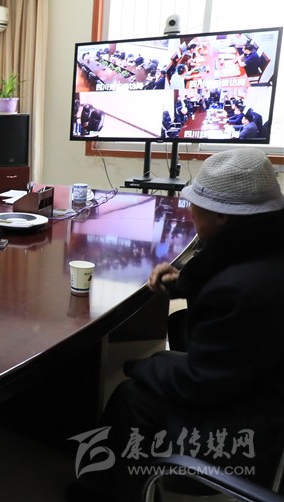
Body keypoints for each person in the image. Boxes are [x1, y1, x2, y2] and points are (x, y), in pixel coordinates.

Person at [67, 148, 284, 502]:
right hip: (256, 378)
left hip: (254, 424)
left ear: (222, 216)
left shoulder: (241, 291)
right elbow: (228, 271)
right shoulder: (266, 246)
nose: (190, 210)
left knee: (132, 396)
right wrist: (185, 282)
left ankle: (106, 492)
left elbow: (199, 383)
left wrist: (139, 365)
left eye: (196, 204)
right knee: (168, 350)